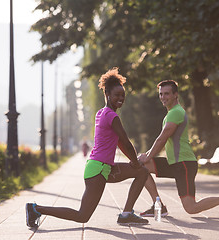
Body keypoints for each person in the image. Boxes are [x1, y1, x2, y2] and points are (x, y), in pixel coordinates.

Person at [26, 67, 149, 228]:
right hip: (98, 170)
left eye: (123, 95)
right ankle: (36, 209)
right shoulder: (112, 116)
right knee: (82, 216)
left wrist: (134, 163)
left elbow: (119, 142)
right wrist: (134, 161)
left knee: (142, 172)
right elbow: (125, 142)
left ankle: (126, 214)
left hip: (104, 168)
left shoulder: (101, 113)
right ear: (107, 95)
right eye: (117, 95)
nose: (120, 98)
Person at [138, 80, 219, 217]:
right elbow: (162, 139)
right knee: (142, 167)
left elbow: (162, 138)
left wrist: (147, 156)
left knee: (191, 208)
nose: (163, 97)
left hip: (184, 164)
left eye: (167, 94)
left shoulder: (176, 112)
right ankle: (158, 206)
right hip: (174, 163)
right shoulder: (171, 113)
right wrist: (146, 156)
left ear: (175, 95)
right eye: (161, 94)